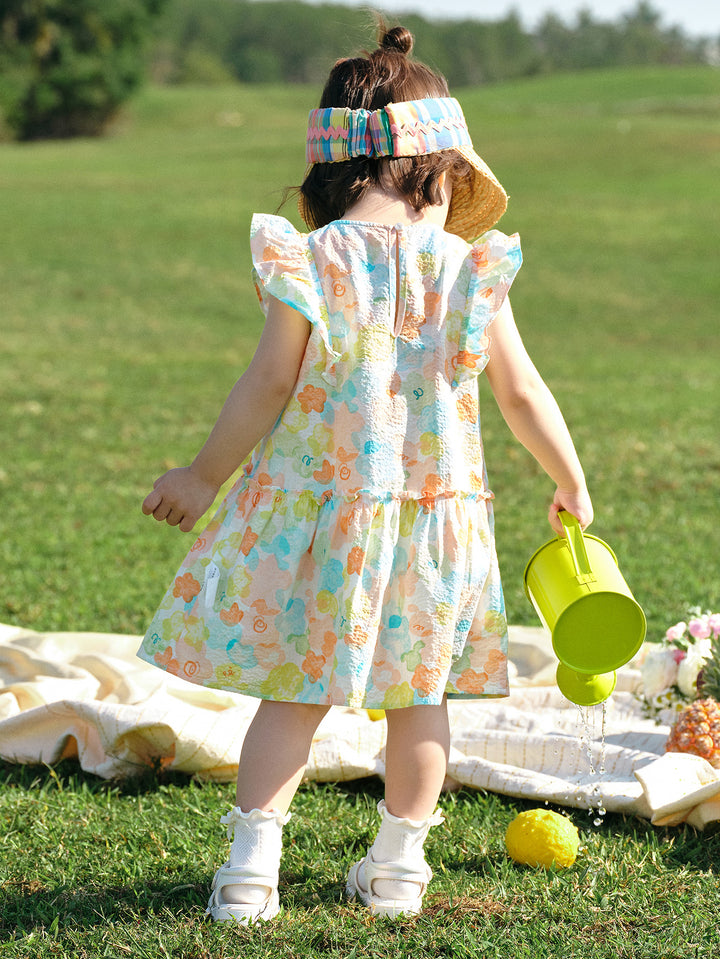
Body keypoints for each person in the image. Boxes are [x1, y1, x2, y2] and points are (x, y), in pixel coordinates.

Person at [138, 25, 593, 924]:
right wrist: (570, 478)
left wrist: (202, 475)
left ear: (332, 173)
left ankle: (249, 873)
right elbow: (522, 390)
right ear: (440, 171)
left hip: (323, 519)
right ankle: (396, 871)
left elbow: (269, 382)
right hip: (434, 524)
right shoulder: (468, 267)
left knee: (296, 692)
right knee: (420, 703)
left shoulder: (311, 259)